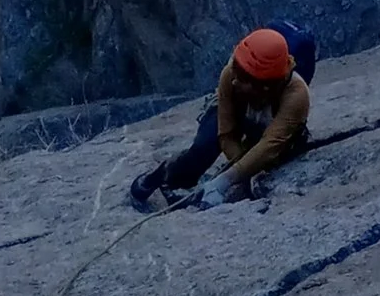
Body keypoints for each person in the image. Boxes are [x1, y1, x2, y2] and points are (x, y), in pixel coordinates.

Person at [129, 23, 317, 207]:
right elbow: (226, 133)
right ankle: (160, 176)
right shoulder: (231, 72)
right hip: (241, 108)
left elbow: (271, 144)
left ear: (263, 84)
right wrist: (236, 172)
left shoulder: (296, 95)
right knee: (202, 151)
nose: (234, 81)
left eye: (243, 80)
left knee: (269, 159)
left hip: (268, 117)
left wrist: (229, 178)